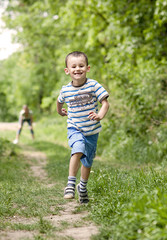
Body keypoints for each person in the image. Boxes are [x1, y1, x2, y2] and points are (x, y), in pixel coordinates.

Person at [57, 51, 109, 204]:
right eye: (73, 66)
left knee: (87, 162)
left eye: (81, 65)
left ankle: (83, 187)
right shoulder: (65, 89)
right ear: (67, 70)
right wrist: (60, 111)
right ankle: (71, 184)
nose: (77, 69)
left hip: (92, 131)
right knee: (77, 150)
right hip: (75, 128)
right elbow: (59, 101)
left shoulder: (93, 85)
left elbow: (105, 103)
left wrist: (99, 115)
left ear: (88, 68)